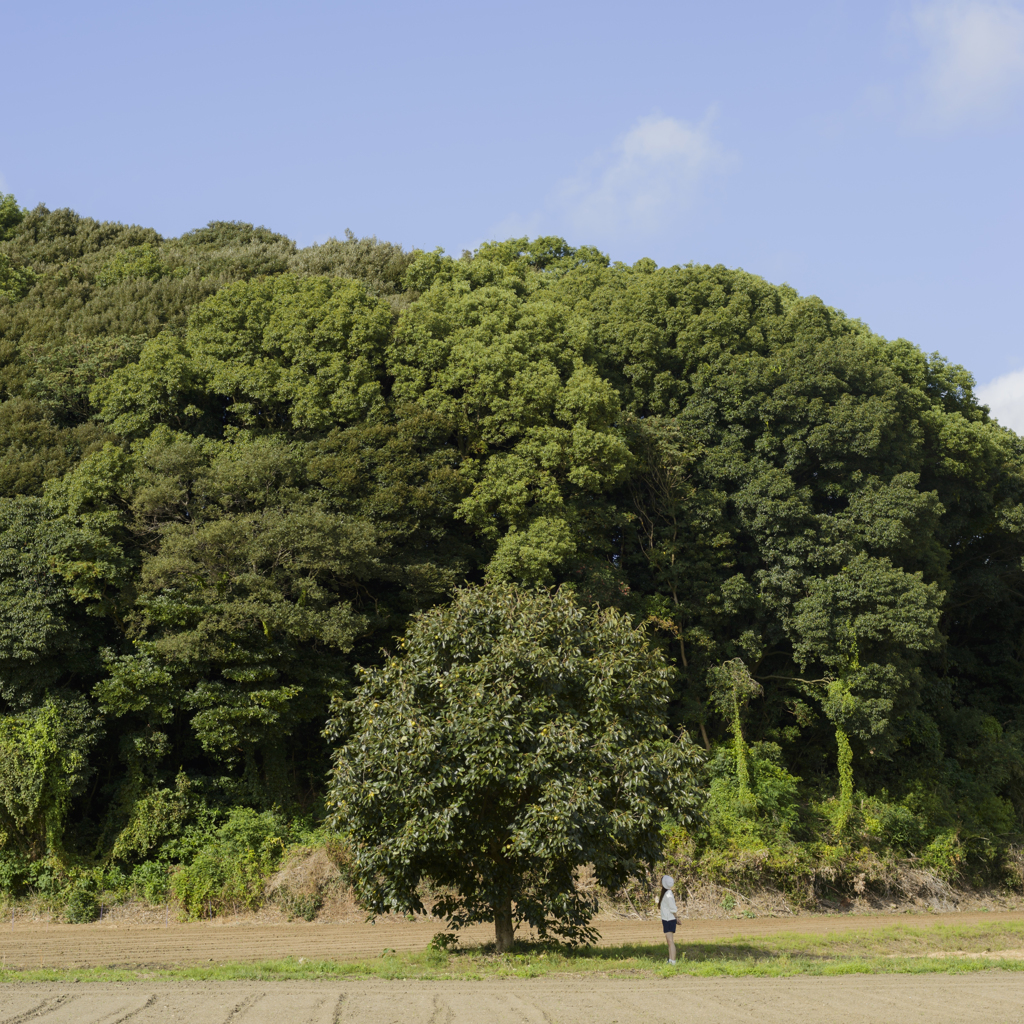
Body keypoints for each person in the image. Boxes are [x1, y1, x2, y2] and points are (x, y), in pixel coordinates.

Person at [658, 874, 678, 965]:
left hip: (670, 919)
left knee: (670, 941)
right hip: (666, 919)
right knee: (668, 941)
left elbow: (672, 907)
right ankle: (670, 960)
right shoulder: (666, 893)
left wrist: (676, 918)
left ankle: (673, 961)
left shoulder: (669, 894)